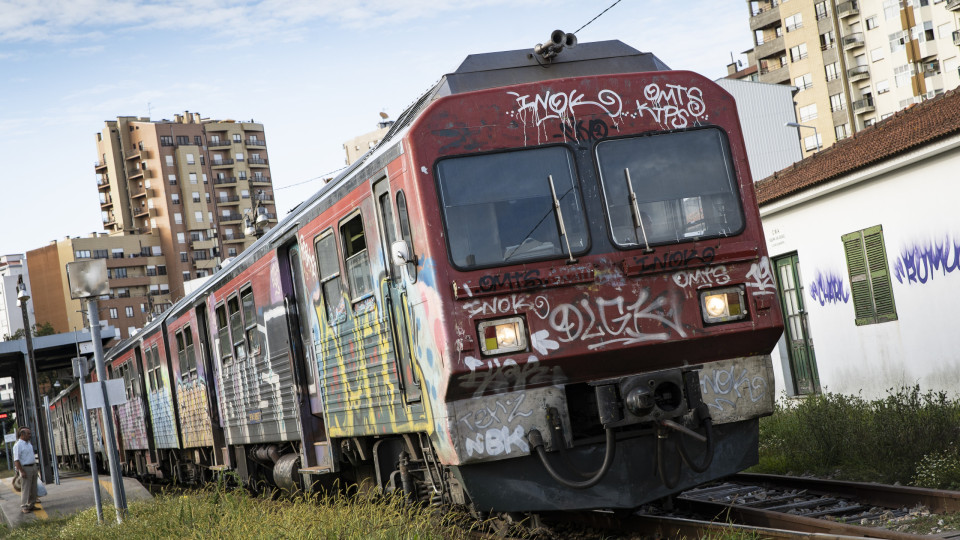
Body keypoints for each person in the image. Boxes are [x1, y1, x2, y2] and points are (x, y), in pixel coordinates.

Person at [13, 427, 38, 513]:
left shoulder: (28, 443)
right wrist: (21, 471)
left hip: (33, 467)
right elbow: (16, 460)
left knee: (33, 488)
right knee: (26, 488)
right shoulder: (18, 445)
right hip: (25, 468)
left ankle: (31, 505)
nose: (30, 436)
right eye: (28, 434)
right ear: (22, 435)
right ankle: (24, 506)